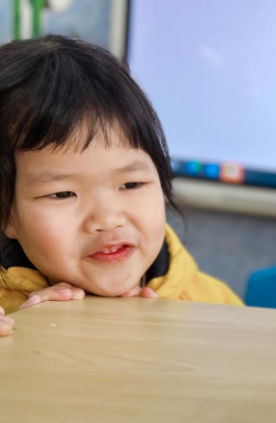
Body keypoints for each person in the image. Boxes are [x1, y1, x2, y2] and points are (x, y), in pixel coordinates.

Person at [0, 36, 242, 337]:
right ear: (6, 213)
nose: (108, 219)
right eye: (63, 194)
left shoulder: (213, 307)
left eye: (131, 184)